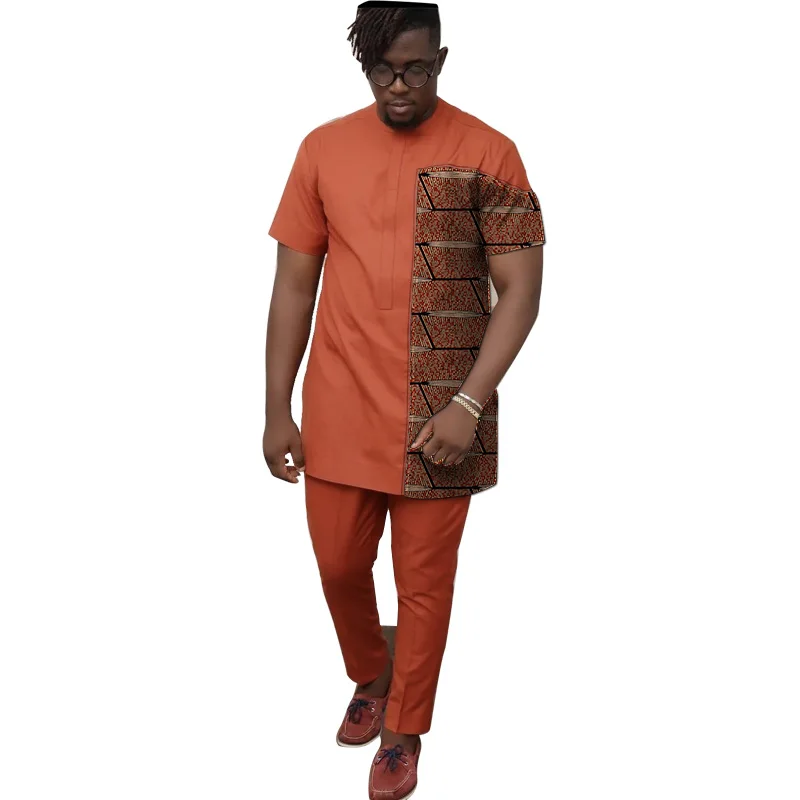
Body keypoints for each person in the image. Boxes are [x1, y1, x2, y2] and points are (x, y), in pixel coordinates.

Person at [263, 1, 546, 796]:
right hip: (340, 403)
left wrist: (470, 404)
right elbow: (293, 286)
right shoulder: (322, 149)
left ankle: (405, 728)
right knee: (337, 564)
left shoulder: (491, 152)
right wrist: (277, 406)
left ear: (441, 61)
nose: (398, 85)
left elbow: (522, 291)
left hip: (441, 415)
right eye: (383, 70)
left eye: (415, 68)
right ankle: (371, 669)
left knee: (423, 584)